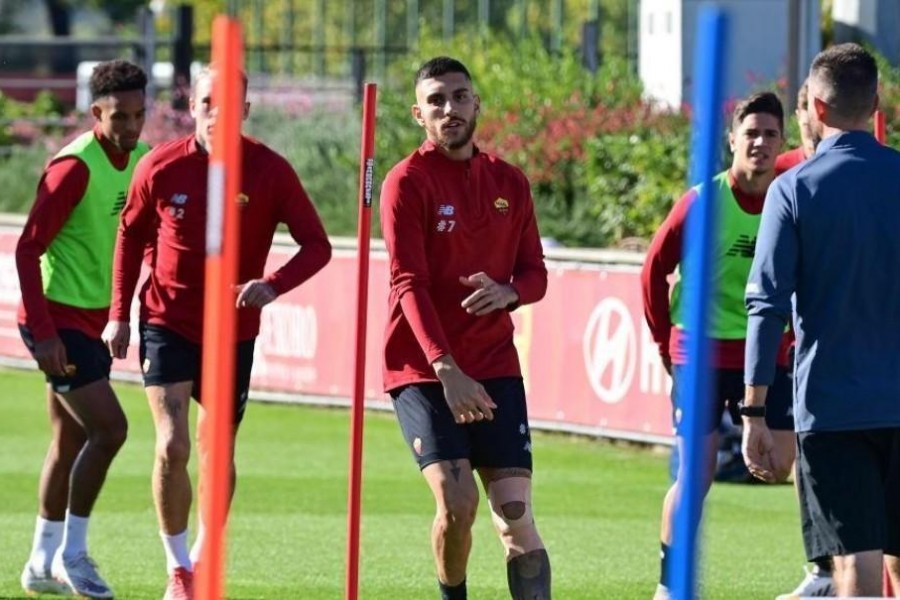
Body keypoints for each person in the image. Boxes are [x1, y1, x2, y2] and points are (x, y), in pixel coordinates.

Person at [102, 66, 332, 600]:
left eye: (231, 104)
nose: (218, 113)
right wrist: (117, 313)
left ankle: (205, 556)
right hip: (166, 322)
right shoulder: (160, 165)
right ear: (194, 106)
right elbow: (131, 235)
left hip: (234, 331)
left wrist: (272, 285)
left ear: (246, 110)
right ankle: (178, 568)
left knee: (217, 450)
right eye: (208, 102)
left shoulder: (270, 170)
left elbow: (316, 245)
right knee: (173, 444)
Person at [379, 56, 551, 600]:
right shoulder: (405, 182)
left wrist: (510, 292)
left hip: (495, 365)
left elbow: (535, 274)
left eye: (458, 97)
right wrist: (446, 368)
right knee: (458, 506)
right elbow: (408, 282)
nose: (448, 109)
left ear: (476, 103)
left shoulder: (510, 181)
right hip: (424, 370)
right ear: (418, 114)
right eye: (436, 101)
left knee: (515, 514)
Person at [743, 42, 900, 598]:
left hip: (832, 409)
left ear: (814, 105)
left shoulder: (794, 188)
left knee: (855, 562)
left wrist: (754, 410)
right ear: (875, 101)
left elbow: (765, 304)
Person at [641, 92, 795, 600]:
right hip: (701, 354)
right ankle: (670, 586)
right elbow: (653, 270)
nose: (760, 142)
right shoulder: (702, 202)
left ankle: (821, 573)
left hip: (766, 354)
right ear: (732, 140)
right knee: (697, 474)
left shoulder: (790, 198)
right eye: (750, 132)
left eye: (770, 134)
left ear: (782, 143)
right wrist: (667, 343)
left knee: (789, 467)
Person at [15, 59, 149, 598]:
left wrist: (120, 313)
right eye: (120, 116)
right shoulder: (74, 167)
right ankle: (74, 555)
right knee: (111, 430)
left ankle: (39, 564)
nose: (132, 127)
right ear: (97, 112)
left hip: (92, 320)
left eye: (140, 115)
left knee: (69, 440)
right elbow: (27, 249)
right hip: (57, 319)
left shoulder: (141, 159)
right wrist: (44, 333)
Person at [773, 78, 836, 600]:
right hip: (799, 347)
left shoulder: (857, 170)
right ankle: (820, 567)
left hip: (842, 351)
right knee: (804, 454)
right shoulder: (784, 174)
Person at [775, 79, 817, 174]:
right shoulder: (778, 168)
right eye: (807, 127)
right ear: (798, 117)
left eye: (819, 128)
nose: (814, 137)